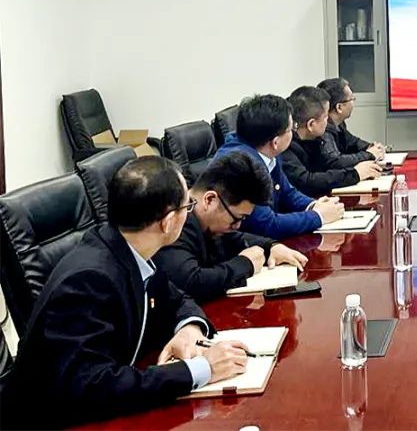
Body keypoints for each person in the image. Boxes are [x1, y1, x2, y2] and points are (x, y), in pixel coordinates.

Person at [2, 157, 248, 429]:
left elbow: (177, 298)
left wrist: (189, 329)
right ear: (168, 222)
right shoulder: (88, 280)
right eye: (187, 206)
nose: (189, 213)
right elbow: (94, 386)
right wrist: (200, 370)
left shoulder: (128, 247)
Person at [153, 152, 309, 302]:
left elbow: (235, 239)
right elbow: (192, 283)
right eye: (236, 219)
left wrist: (271, 246)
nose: (237, 226)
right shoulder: (176, 222)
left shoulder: (207, 221)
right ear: (209, 200)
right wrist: (245, 264)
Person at [213, 94, 344, 239]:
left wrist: (314, 205)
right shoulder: (241, 167)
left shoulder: (265, 152)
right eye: (291, 129)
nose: (293, 132)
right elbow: (267, 225)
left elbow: (287, 192)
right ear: (275, 142)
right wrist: (318, 217)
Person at [281, 86, 382, 198]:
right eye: (325, 117)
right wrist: (355, 174)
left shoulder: (314, 139)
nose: (328, 122)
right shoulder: (286, 146)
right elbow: (308, 181)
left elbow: (328, 169)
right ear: (311, 124)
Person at [316, 77, 386, 168]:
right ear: (339, 107)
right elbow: (335, 162)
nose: (353, 103)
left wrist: (370, 147)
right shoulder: (323, 129)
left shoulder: (339, 124)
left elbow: (352, 142)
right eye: (352, 99)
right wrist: (369, 154)